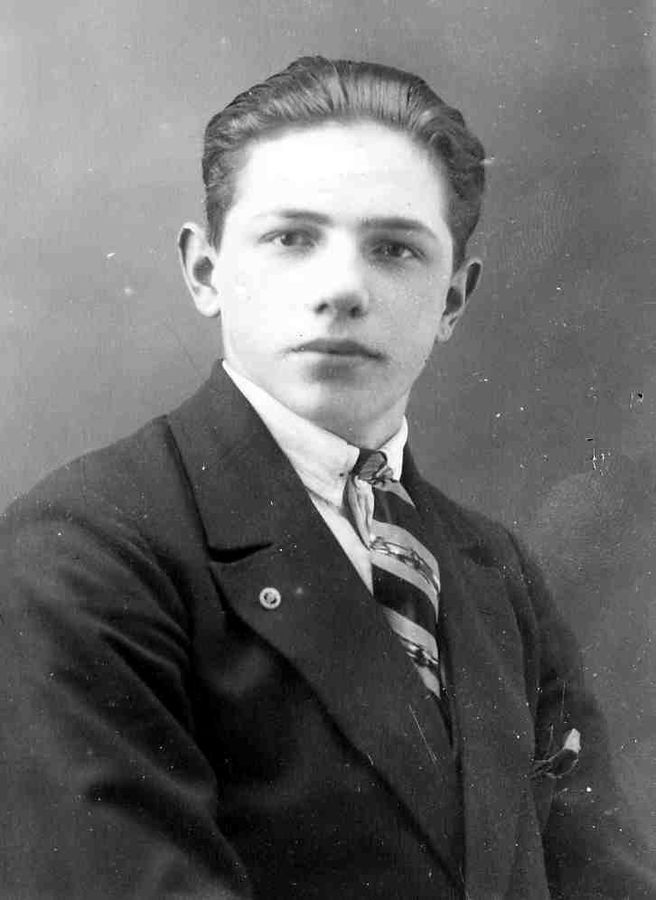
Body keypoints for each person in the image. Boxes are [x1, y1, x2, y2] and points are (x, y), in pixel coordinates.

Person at [0, 56, 653, 899]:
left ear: (453, 299)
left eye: (394, 249)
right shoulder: (82, 552)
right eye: (291, 238)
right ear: (206, 272)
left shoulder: (496, 572)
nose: (342, 288)